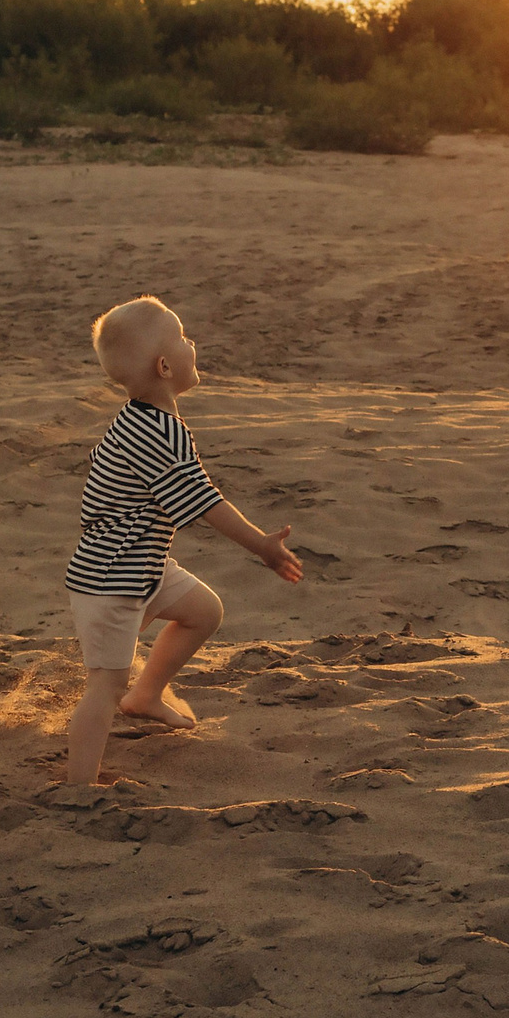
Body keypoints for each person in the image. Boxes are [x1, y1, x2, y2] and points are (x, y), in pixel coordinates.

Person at [65, 296, 302, 786]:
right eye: (183, 337)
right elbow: (202, 501)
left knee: (203, 611)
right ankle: (78, 787)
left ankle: (147, 696)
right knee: (104, 687)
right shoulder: (157, 432)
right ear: (166, 365)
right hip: (112, 575)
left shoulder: (145, 420)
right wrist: (261, 545)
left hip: (141, 564)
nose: (193, 343)